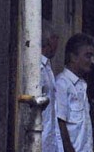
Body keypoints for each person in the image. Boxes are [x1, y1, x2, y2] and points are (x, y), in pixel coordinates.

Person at [55, 32, 94, 152]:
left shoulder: (82, 85)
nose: (92, 61)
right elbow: (60, 125)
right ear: (73, 57)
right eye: (88, 56)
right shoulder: (62, 84)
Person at [40, 24, 61, 152]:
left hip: (49, 140)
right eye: (55, 38)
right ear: (49, 41)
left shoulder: (47, 67)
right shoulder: (39, 68)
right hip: (42, 138)